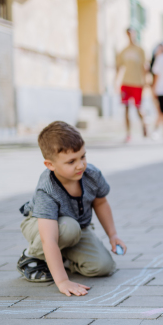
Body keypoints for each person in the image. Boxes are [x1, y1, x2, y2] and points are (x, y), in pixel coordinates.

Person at [17, 121, 127, 297]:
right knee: (69, 228)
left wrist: (112, 235)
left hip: (76, 228)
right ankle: (31, 256)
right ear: (50, 165)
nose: (80, 165)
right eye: (71, 161)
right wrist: (62, 281)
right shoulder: (47, 189)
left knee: (103, 266)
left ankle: (61, 258)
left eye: (83, 156)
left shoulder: (91, 174)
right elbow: (49, 239)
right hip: (42, 227)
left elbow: (100, 203)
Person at [116, 28, 147, 143]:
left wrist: (145, 81)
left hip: (137, 83)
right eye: (128, 34)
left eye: (132, 33)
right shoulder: (123, 51)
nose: (130, 36)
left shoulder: (140, 50)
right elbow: (119, 67)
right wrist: (116, 82)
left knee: (138, 108)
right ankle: (128, 133)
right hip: (126, 82)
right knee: (126, 108)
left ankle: (144, 123)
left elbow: (145, 67)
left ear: (135, 34)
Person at [149, 43, 163, 141]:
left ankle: (160, 130)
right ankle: (158, 130)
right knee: (160, 112)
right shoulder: (153, 64)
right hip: (155, 90)